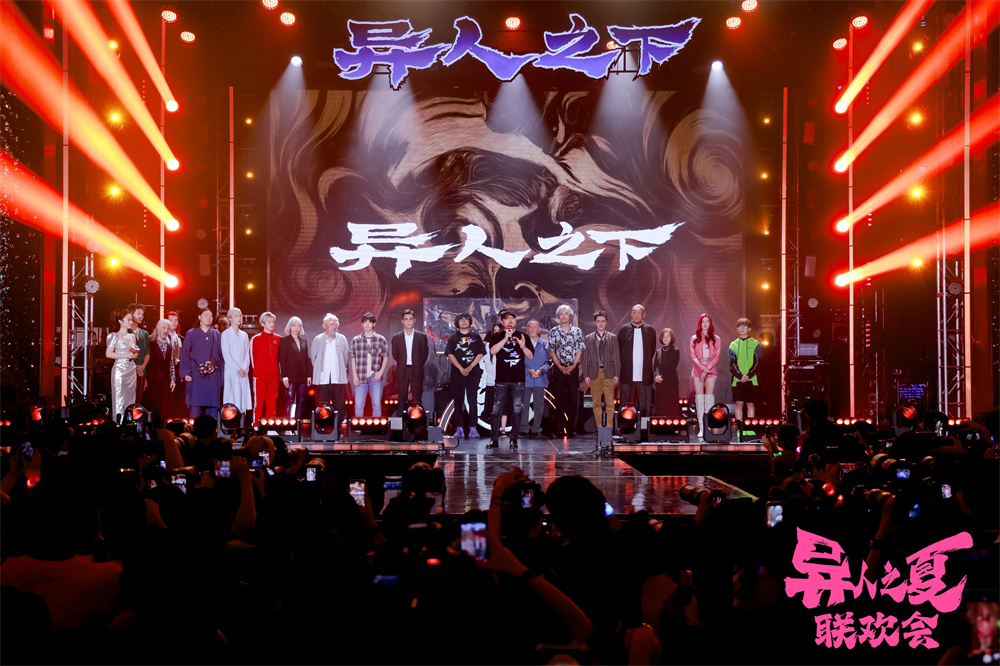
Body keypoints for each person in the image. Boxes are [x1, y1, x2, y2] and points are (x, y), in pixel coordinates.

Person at [486, 310, 534, 449]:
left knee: (517, 410)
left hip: (518, 379)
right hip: (501, 380)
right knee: (496, 411)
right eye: (507, 319)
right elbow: (493, 351)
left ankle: (514, 439)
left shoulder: (523, 336)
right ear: (502, 322)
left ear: (516, 321)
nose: (510, 321)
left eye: (512, 318)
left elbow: (530, 356)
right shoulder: (497, 336)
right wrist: (505, 339)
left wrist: (523, 346)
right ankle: (494, 439)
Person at [548, 305, 587, 438]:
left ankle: (571, 429)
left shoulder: (577, 331)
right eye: (561, 314)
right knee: (558, 399)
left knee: (572, 399)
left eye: (566, 314)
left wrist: (574, 365)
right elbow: (552, 351)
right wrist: (559, 366)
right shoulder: (554, 331)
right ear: (558, 316)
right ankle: (558, 429)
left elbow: (580, 350)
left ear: (570, 316)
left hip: (573, 369)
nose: (564, 316)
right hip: (558, 369)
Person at [444, 313, 485, 438]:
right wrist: (461, 368)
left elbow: (480, 353)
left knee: (473, 400)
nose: (463, 322)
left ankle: (473, 428)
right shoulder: (453, 338)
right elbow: (450, 354)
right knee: (458, 401)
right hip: (457, 374)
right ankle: (459, 428)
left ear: (470, 322)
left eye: (466, 320)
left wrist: (470, 367)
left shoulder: (476, 337)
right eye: (461, 320)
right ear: (457, 323)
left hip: (473, 373)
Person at [180, 307, 224, 418]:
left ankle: (212, 429)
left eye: (211, 316)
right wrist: (186, 373)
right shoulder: (191, 333)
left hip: (213, 375)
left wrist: (222, 376)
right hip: (196, 375)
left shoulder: (216, 334)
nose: (209, 318)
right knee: (196, 409)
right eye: (206, 315)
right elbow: (185, 354)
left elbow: (221, 356)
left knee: (212, 409)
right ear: (199, 317)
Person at [581, 311, 620, 430]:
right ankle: (599, 427)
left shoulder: (612, 338)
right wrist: (586, 375)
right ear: (595, 323)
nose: (601, 324)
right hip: (594, 372)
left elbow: (616, 357)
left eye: (603, 321)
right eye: (598, 321)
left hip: (609, 372)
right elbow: (585, 357)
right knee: (596, 402)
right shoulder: (588, 338)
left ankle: (609, 427)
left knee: (610, 402)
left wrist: (616, 374)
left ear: (606, 322)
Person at [618, 304, 656, 417]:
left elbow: (652, 349)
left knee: (645, 403)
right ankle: (626, 424)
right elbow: (620, 349)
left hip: (644, 373)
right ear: (631, 314)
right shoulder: (624, 329)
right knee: (626, 404)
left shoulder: (650, 330)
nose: (636, 315)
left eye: (639, 313)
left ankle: (644, 423)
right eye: (634, 312)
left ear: (644, 315)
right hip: (627, 373)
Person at [310, 313, 350, 419]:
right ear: (324, 325)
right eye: (331, 324)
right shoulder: (318, 339)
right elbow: (313, 358)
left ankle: (339, 425)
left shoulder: (342, 339)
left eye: (336, 324)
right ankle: (323, 425)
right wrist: (318, 370)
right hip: (322, 377)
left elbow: (346, 357)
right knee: (322, 405)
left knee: (340, 405)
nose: (334, 326)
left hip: (338, 377)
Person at [391, 308, 429, 415]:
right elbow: (395, 355)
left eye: (410, 319)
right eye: (406, 319)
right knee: (401, 399)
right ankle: (401, 422)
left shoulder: (421, 337)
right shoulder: (396, 337)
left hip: (416, 369)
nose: (408, 321)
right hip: (402, 370)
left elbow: (424, 354)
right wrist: (403, 363)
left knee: (417, 398)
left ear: (414, 320)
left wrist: (417, 364)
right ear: (402, 321)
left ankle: (417, 422)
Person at [350, 312, 389, 417]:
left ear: (374, 324)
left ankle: (377, 426)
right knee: (358, 405)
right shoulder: (356, 340)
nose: (367, 324)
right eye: (365, 322)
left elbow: (386, 356)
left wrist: (380, 372)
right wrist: (354, 376)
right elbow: (353, 358)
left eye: (369, 322)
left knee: (376, 404)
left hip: (375, 377)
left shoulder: (381, 339)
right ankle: (359, 426)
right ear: (362, 324)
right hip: (360, 376)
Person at [689, 313, 722, 438]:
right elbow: (693, 356)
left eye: (707, 321)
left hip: (711, 369)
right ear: (700, 323)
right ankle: (701, 427)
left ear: (710, 323)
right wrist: (702, 369)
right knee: (699, 399)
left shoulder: (716, 338)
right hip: (698, 369)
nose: (705, 324)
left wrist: (706, 370)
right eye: (703, 321)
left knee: (709, 398)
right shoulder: (694, 338)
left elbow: (717, 356)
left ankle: (708, 426)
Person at [106, 308, 139, 423]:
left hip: (131, 369)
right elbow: (108, 354)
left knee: (130, 399)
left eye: (131, 320)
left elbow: (133, 352)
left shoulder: (132, 336)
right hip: (120, 370)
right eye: (128, 320)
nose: (131, 322)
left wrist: (134, 355)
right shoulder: (114, 336)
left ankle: (129, 423)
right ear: (120, 321)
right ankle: (118, 424)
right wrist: (126, 355)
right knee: (119, 398)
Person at [143, 318, 177, 426]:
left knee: (163, 408)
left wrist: (173, 379)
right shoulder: (150, 342)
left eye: (168, 328)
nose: (166, 331)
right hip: (152, 380)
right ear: (157, 328)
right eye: (164, 328)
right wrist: (144, 377)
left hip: (165, 381)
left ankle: (161, 429)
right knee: (152, 406)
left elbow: (171, 362)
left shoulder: (169, 344)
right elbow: (144, 362)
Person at [221, 307, 253, 421]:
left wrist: (244, 368)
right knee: (232, 399)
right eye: (236, 316)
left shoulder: (244, 335)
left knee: (243, 399)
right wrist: (237, 369)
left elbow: (247, 354)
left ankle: (242, 425)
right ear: (230, 318)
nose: (239, 318)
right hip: (232, 371)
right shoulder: (225, 334)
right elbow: (226, 355)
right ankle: (231, 424)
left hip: (243, 372)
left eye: (240, 316)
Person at [729, 318, 762, 424]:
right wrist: (740, 376)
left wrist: (748, 375)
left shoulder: (755, 343)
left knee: (750, 404)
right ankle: (740, 428)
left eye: (744, 326)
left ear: (749, 328)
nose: (742, 329)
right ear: (737, 329)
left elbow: (758, 362)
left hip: (752, 379)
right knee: (739, 403)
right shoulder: (733, 344)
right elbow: (732, 364)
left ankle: (750, 428)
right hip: (737, 380)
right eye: (739, 327)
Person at [250, 311, 281, 424]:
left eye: (273, 322)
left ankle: (270, 426)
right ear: (263, 323)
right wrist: (257, 373)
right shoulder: (256, 339)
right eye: (269, 322)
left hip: (273, 376)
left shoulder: (278, 339)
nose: (272, 324)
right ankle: (255, 425)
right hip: (259, 376)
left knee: (272, 403)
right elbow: (252, 358)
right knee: (258, 403)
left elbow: (279, 358)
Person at [521, 319, 550, 438]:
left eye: (535, 327)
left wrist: (541, 370)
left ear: (538, 330)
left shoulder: (545, 344)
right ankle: (524, 428)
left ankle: (536, 428)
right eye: (530, 327)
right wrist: (528, 370)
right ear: (527, 330)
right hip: (525, 379)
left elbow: (549, 362)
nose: (532, 329)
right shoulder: (522, 345)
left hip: (540, 379)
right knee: (524, 405)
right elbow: (518, 362)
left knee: (539, 405)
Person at [279, 316, 313, 418]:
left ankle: (298, 424)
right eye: (294, 325)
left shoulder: (304, 341)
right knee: (289, 400)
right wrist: (284, 376)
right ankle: (287, 423)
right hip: (290, 376)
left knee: (301, 401)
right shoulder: (284, 340)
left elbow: (306, 359)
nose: (296, 328)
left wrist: (308, 376)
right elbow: (282, 360)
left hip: (302, 376)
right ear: (289, 326)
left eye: (299, 326)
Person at [652, 328, 681, 417]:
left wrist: (662, 377)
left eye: (668, 336)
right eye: (664, 336)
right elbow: (656, 366)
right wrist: (657, 376)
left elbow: (672, 367)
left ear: (671, 338)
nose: (666, 338)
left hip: (671, 382)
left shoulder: (675, 351)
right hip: (660, 383)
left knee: (671, 408)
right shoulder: (658, 351)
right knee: (661, 407)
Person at [128, 304, 150, 402]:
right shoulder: (126, 332)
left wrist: (143, 367)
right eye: (138, 314)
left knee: (138, 399)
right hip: (129, 370)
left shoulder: (144, 333)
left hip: (142, 370)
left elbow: (147, 352)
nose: (141, 316)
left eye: (142, 314)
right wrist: (136, 367)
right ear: (131, 314)